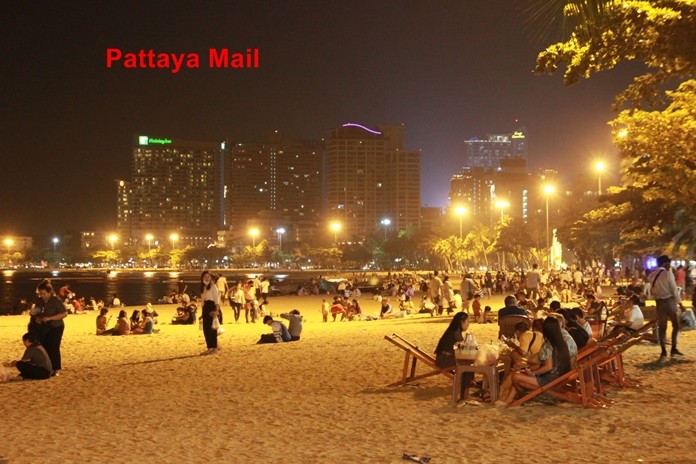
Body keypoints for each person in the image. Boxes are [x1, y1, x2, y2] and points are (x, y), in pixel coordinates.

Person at [498, 317, 572, 406]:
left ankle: (525, 397)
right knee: (520, 374)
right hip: (559, 377)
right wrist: (530, 370)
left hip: (548, 380)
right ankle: (508, 400)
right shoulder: (562, 344)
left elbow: (548, 367)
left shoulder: (548, 345)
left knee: (515, 377)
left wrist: (533, 373)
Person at [649, 255, 685, 362]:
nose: (670, 265)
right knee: (676, 325)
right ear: (665, 263)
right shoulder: (668, 274)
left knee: (662, 327)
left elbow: (652, 292)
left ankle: (663, 351)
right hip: (669, 301)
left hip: (659, 302)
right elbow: (674, 290)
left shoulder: (652, 275)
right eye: (669, 263)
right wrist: (680, 304)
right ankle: (673, 348)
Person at [434, 312, 474, 400]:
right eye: (468, 321)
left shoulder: (454, 330)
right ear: (462, 322)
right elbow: (461, 349)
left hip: (443, 358)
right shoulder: (455, 333)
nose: (468, 324)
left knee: (468, 359)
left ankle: (469, 382)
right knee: (468, 362)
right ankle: (466, 387)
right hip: (444, 361)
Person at [35, 279, 67, 376]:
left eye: (44, 294)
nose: (42, 296)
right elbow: (38, 312)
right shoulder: (39, 301)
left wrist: (49, 318)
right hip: (45, 326)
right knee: (44, 346)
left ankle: (56, 368)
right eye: (40, 294)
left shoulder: (56, 301)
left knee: (53, 347)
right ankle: (47, 366)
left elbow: (64, 314)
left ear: (49, 292)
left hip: (57, 326)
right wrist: (37, 317)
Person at [199, 271, 221, 355]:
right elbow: (203, 301)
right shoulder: (203, 287)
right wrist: (202, 314)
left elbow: (216, 300)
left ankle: (214, 348)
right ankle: (209, 348)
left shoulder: (213, 286)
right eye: (205, 276)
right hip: (205, 308)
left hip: (211, 306)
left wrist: (216, 310)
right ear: (202, 278)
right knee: (206, 329)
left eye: (208, 277)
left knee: (212, 329)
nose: (207, 278)